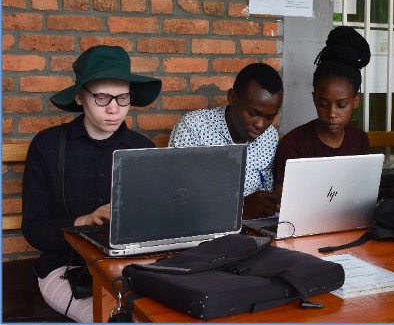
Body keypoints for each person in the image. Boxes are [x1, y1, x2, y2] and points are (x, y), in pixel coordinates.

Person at [21, 45, 162, 323]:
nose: (114, 108)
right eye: (101, 97)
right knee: (116, 320)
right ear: (79, 97)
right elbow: (34, 230)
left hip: (132, 268)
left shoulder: (142, 149)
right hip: (66, 269)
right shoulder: (47, 146)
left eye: (122, 97)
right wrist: (83, 220)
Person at [169, 63, 283, 219]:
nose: (260, 125)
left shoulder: (269, 137)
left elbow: (267, 193)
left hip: (257, 231)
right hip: (206, 235)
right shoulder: (193, 129)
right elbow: (177, 200)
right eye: (252, 113)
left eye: (269, 117)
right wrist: (239, 209)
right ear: (232, 98)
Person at [273, 26, 371, 196]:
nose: (332, 114)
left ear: (355, 101)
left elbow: (362, 194)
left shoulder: (360, 140)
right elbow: (285, 202)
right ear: (314, 99)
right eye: (323, 104)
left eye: (341, 105)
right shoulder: (293, 145)